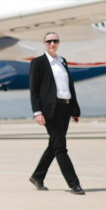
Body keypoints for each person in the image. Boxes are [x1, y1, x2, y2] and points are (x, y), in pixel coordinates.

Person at [29, 33, 84, 194]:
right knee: (60, 147)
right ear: (44, 43)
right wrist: (37, 112)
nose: (52, 43)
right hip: (49, 110)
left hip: (65, 108)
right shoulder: (38, 63)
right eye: (49, 41)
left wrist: (74, 109)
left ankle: (37, 176)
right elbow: (34, 90)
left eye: (55, 41)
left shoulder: (62, 61)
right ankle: (74, 184)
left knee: (54, 145)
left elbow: (69, 87)